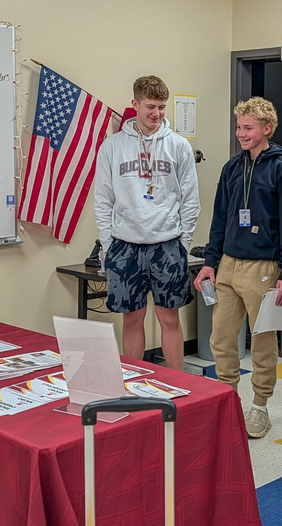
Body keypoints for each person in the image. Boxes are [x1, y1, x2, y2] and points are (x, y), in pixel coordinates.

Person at [194, 97, 282, 439]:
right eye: (238, 127)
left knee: (263, 341)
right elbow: (220, 218)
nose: (241, 133)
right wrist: (210, 262)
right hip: (227, 265)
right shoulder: (231, 167)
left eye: (248, 128)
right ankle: (227, 400)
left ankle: (259, 407)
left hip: (264, 268)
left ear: (266, 129)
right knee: (221, 338)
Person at [94, 75, 200, 370]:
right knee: (132, 318)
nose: (157, 113)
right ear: (135, 104)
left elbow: (191, 199)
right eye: (151, 106)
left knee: (169, 318)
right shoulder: (112, 147)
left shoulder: (178, 146)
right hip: (125, 245)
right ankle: (133, 382)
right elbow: (102, 199)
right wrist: (107, 244)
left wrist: (184, 243)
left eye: (162, 107)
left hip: (167, 245)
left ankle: (177, 382)